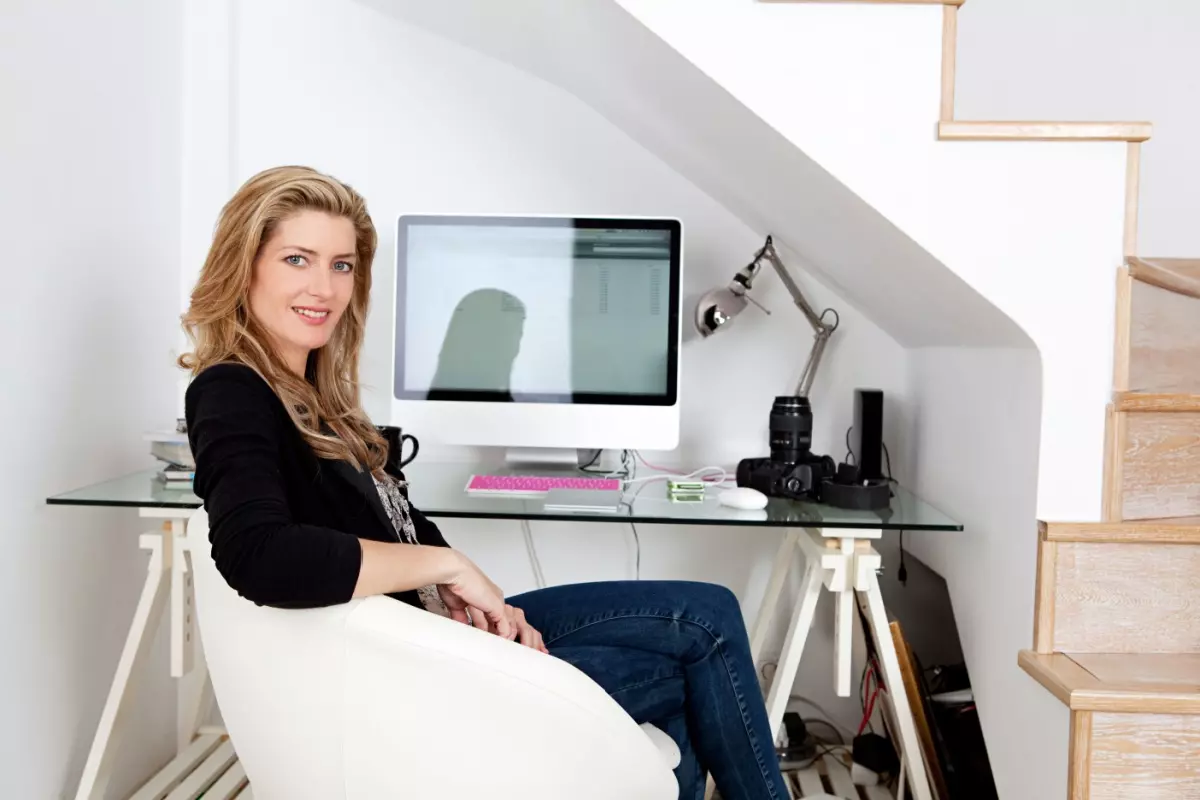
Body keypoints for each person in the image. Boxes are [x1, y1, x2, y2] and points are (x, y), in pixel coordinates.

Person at [179, 165, 790, 800]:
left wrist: (477, 601)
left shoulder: (316, 395)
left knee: (705, 613)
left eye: (342, 264)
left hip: (437, 638)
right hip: (406, 681)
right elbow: (259, 555)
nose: (324, 287)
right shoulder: (231, 389)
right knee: (684, 667)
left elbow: (398, 526)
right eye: (297, 259)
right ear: (244, 266)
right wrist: (444, 566)